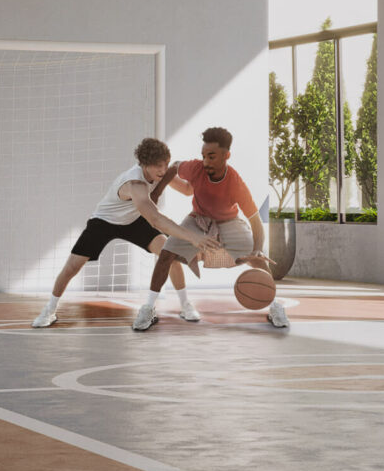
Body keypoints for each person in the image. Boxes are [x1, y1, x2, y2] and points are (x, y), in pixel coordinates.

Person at [31, 138, 219, 328]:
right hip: (104, 221)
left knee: (168, 252)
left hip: (133, 220)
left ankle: (185, 304)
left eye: (165, 165)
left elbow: (187, 190)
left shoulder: (164, 173)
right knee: (72, 267)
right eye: (157, 167)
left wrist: (202, 175)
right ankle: (50, 309)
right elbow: (155, 218)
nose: (162, 170)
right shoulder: (135, 183)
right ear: (144, 164)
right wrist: (193, 236)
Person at [132, 127, 289, 330]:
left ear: (226, 155)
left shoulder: (235, 183)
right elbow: (175, 167)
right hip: (198, 219)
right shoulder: (196, 168)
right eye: (204, 156)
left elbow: (256, 222)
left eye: (212, 157)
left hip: (230, 223)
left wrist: (257, 248)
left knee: (258, 258)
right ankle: (148, 308)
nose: (206, 162)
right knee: (166, 254)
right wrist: (157, 193)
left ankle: (275, 306)